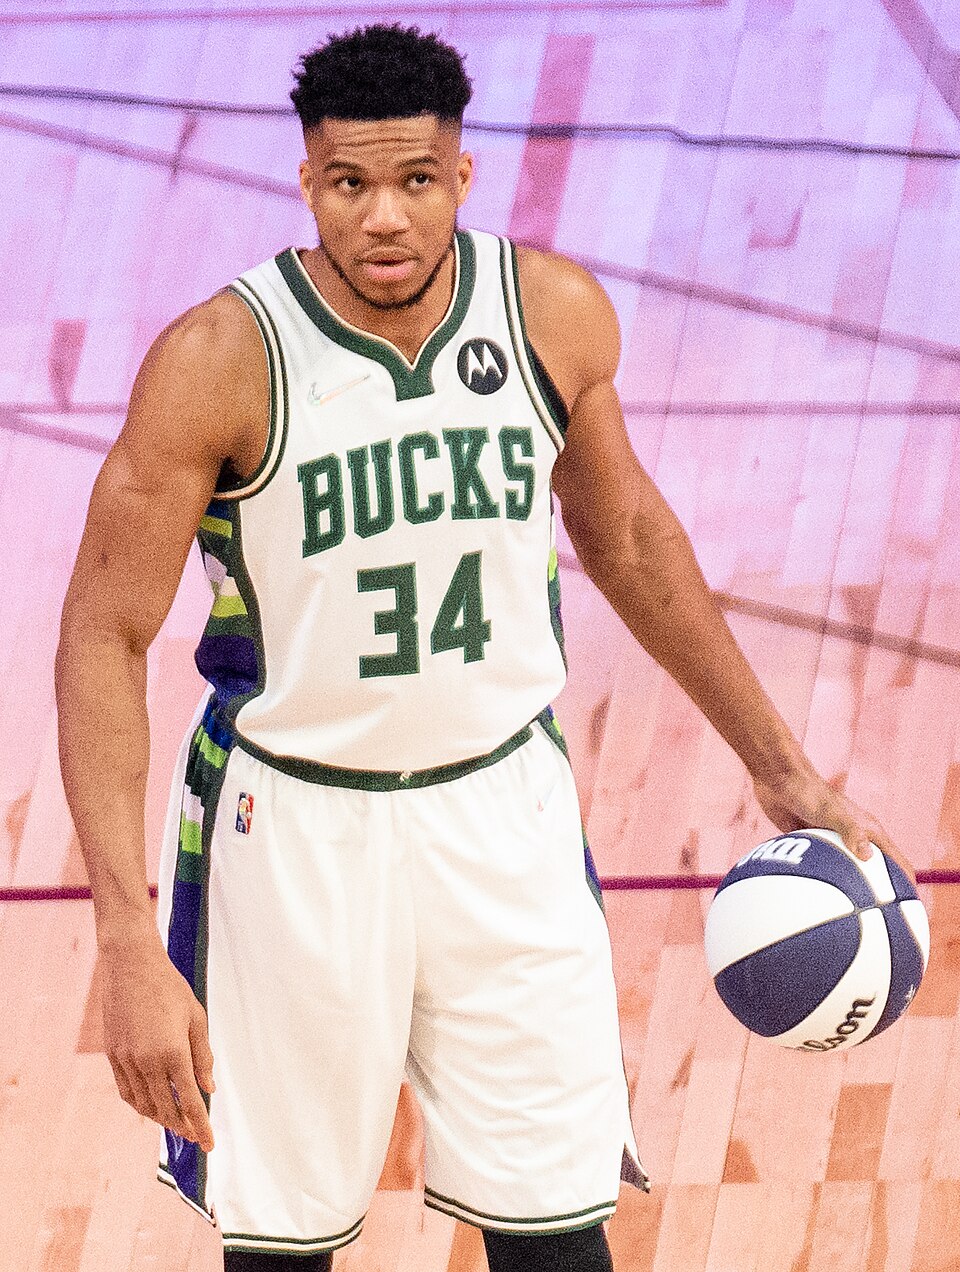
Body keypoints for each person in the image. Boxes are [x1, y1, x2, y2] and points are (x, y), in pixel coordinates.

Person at [55, 23, 914, 1272]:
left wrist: (779, 766)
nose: (384, 217)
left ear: (461, 175)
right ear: (307, 183)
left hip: (505, 818)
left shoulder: (549, 315)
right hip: (291, 834)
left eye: (416, 180)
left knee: (559, 1238)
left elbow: (631, 540)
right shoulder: (220, 362)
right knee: (283, 1250)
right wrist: (127, 941)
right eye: (349, 183)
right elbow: (102, 637)